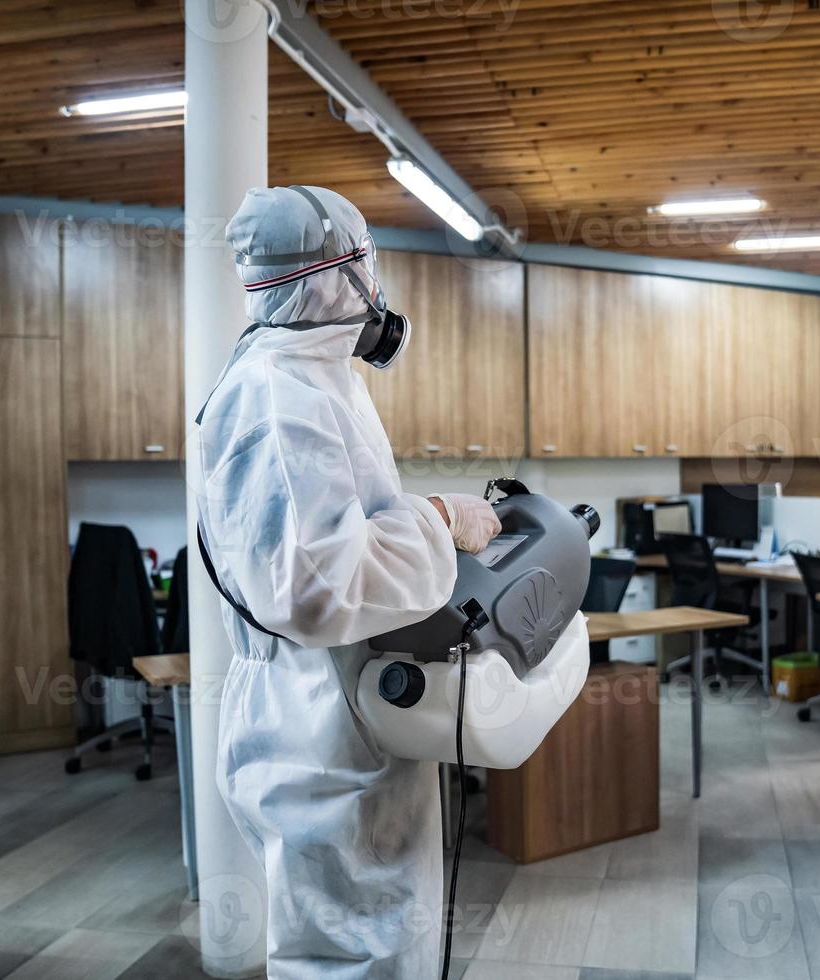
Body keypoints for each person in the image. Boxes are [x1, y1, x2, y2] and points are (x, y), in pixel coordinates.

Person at [194, 185, 502, 978]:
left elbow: (340, 531)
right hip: (315, 721)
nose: (377, 284)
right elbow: (314, 588)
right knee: (346, 948)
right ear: (343, 270)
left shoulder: (320, 376)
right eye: (367, 261)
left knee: (384, 934)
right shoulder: (276, 397)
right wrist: (438, 517)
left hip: (344, 707)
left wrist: (425, 520)